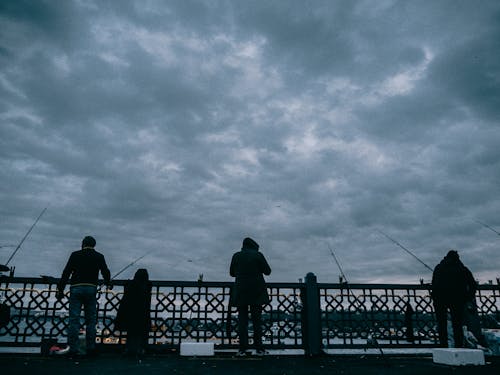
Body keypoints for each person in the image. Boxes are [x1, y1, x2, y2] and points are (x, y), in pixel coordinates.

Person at [56, 236, 111, 357]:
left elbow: (66, 272)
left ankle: (73, 348)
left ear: (83, 244)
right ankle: (90, 347)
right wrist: (108, 282)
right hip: (91, 288)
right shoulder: (99, 256)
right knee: (91, 320)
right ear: (94, 245)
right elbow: (105, 271)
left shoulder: (75, 255)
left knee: (74, 319)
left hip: (76, 288)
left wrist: (60, 288)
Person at [229, 237, 271, 357]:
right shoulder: (258, 255)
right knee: (257, 321)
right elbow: (268, 271)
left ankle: (242, 349)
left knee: (242, 322)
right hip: (256, 292)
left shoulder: (236, 256)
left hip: (241, 292)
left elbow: (232, 273)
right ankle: (259, 349)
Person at [431, 250, 477, 348]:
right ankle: (458, 346)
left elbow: (434, 284)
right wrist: (467, 297)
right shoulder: (463, 269)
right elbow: (473, 285)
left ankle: (443, 345)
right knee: (457, 324)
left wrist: (434, 297)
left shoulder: (439, 267)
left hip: (440, 300)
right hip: (458, 301)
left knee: (442, 324)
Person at [114, 268, 152, 357]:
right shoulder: (148, 285)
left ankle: (128, 348)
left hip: (130, 314)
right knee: (142, 332)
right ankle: (141, 349)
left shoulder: (130, 284)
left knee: (130, 332)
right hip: (142, 314)